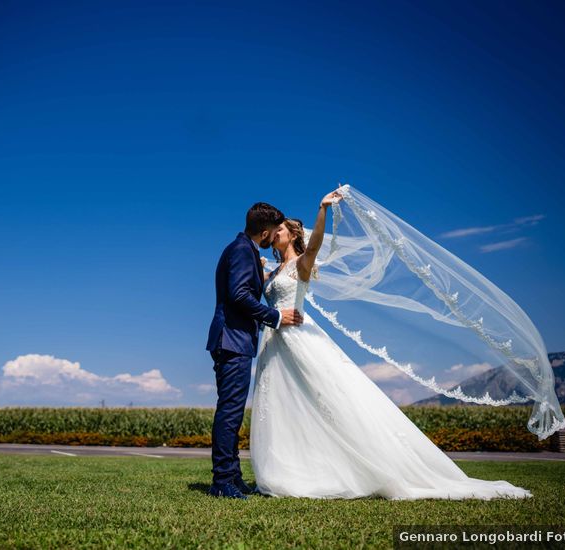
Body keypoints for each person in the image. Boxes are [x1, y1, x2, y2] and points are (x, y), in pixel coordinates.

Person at [248, 189, 533, 500]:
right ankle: (292, 468)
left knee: (327, 398)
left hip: (300, 337)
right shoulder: (271, 270)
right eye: (273, 231)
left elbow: (315, 243)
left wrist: (323, 209)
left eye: (280, 230)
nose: (274, 234)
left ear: (291, 236)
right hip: (274, 341)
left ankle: (359, 466)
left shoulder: (302, 263)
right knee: (286, 403)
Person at [205, 202, 304, 499]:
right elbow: (237, 295)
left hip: (233, 340)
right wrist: (274, 317)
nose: (274, 238)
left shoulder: (243, 250)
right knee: (230, 412)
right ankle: (222, 480)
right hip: (231, 340)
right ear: (264, 231)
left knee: (232, 411)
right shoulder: (241, 251)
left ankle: (233, 476)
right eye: (273, 232)